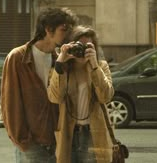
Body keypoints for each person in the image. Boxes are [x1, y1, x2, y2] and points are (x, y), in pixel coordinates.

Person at [0, 7, 78, 163]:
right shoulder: (18, 58)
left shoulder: (60, 59)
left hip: (57, 140)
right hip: (31, 144)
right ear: (48, 29)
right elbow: (10, 103)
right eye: (64, 29)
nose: (68, 35)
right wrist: (23, 141)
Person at [47, 25, 114, 163]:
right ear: (70, 46)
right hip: (68, 133)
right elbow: (55, 97)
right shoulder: (63, 69)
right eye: (78, 46)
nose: (82, 50)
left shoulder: (100, 66)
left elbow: (105, 96)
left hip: (93, 132)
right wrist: (60, 62)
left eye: (87, 46)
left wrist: (94, 66)